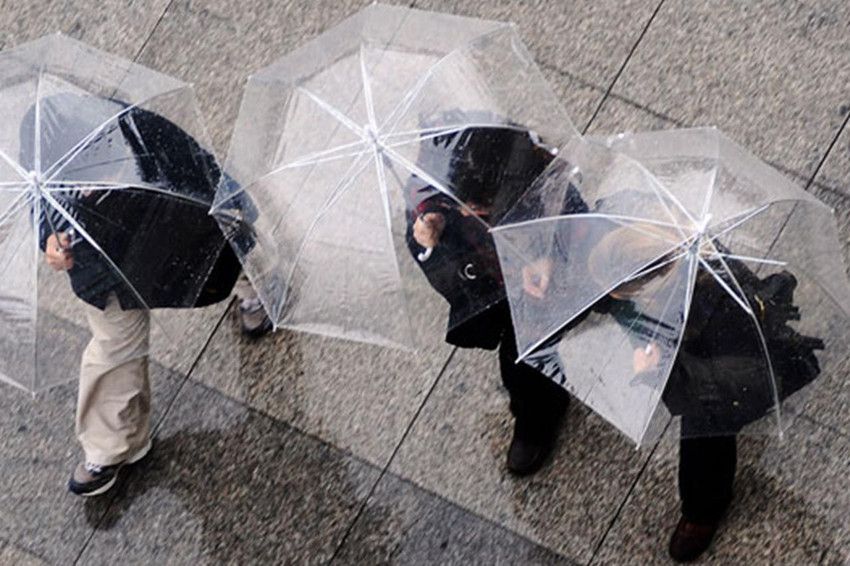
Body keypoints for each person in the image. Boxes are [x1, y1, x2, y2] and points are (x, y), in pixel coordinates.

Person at [29, 93, 252, 496]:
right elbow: (39, 201)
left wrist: (237, 209)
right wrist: (49, 238)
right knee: (113, 347)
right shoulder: (42, 137)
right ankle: (112, 445)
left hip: (168, 228)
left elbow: (202, 175)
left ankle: (257, 287)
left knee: (222, 256)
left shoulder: (139, 131)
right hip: (102, 267)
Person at [587, 223, 823, 562]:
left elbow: (701, 392)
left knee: (705, 435)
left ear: (647, 287)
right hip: (697, 342)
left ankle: (703, 511)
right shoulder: (666, 251)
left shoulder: (714, 310)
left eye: (618, 293)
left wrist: (653, 372)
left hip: (738, 374)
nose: (611, 300)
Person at [405, 115, 587, 475]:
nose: (467, 212)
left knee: (524, 359)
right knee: (517, 359)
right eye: (460, 204)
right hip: (488, 288)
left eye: (477, 207)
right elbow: (424, 222)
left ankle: (540, 412)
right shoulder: (436, 183)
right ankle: (536, 406)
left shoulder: (547, 188)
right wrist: (428, 236)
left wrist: (548, 257)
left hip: (539, 294)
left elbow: (581, 231)